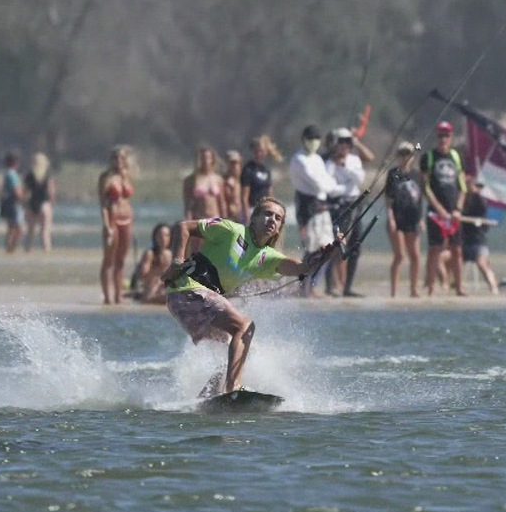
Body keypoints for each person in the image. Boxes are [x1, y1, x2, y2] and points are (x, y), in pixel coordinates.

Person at [163, 197, 342, 395]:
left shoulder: (267, 257)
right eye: (267, 214)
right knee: (245, 327)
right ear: (254, 218)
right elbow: (184, 227)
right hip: (187, 290)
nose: (272, 220)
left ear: (279, 227)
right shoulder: (232, 230)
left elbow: (303, 268)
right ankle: (233, 389)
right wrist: (177, 260)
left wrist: (326, 253)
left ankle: (208, 395)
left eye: (278, 218)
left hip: (191, 307)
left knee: (242, 348)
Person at [288, 125, 348, 298]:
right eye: (310, 138)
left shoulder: (317, 159)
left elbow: (327, 182)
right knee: (312, 247)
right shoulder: (299, 160)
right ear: (304, 139)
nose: (314, 142)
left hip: (322, 207)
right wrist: (332, 186)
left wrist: (331, 186)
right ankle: (303, 285)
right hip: (308, 207)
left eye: (316, 139)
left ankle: (312, 285)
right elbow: (320, 184)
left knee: (328, 247)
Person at [421, 121, 467, 297]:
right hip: (436, 213)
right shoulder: (428, 157)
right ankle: (431, 285)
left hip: (453, 212)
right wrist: (439, 209)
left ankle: (459, 286)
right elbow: (426, 188)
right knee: (435, 249)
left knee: (457, 249)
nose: (443, 139)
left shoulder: (456, 157)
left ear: (451, 137)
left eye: (446, 135)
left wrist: (458, 209)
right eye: (440, 135)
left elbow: (462, 186)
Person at [326, 127, 370, 297]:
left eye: (347, 142)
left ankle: (347, 287)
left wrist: (345, 166)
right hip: (339, 207)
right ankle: (330, 286)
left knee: (356, 246)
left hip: (355, 204)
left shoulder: (354, 160)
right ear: (335, 144)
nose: (344, 146)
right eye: (341, 142)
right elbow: (330, 188)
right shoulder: (329, 163)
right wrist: (346, 185)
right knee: (337, 246)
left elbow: (359, 179)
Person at [385, 142, 423, 298]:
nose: (405, 157)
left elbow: (420, 199)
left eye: (408, 154)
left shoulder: (416, 175)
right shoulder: (393, 174)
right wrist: (391, 218)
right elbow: (388, 200)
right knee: (399, 255)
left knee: (415, 255)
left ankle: (414, 289)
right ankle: (394, 291)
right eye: (402, 154)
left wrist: (421, 219)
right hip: (397, 217)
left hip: (413, 218)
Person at [99, 146, 135, 305]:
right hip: (112, 219)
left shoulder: (127, 176)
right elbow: (103, 204)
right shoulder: (106, 177)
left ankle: (118, 295)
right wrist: (106, 225)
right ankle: (107, 296)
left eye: (121, 158)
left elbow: (127, 200)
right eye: (115, 158)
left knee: (121, 260)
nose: (118, 161)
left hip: (127, 219)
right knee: (109, 259)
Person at [461, 178, 499, 294]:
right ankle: (451, 284)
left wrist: (474, 192)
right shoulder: (462, 199)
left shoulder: (480, 200)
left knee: (481, 262)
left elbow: (483, 208)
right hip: (464, 241)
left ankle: (493, 287)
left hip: (478, 240)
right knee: (452, 260)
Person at [132, 223, 173, 304]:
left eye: (166, 235)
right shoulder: (150, 254)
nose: (163, 239)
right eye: (160, 236)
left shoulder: (170, 254)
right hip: (151, 290)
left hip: (164, 289)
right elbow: (143, 275)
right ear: (155, 237)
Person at [183, 146, 226, 222]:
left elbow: (221, 203)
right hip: (199, 219)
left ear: (212, 160)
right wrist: (188, 222)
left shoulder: (218, 179)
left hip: (215, 219)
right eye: (202, 158)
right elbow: (188, 205)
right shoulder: (191, 180)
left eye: (208, 157)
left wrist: (225, 221)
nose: (205, 160)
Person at [23, 152, 55, 252]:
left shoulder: (29, 175)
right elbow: (51, 191)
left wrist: (24, 204)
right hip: (44, 204)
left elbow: (25, 192)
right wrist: (52, 203)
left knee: (30, 231)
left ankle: (28, 249)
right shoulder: (47, 175)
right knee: (45, 231)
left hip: (32, 203)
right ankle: (46, 250)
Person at [241, 135, 281, 213]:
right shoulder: (248, 169)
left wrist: (274, 208)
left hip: (265, 210)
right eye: (256, 151)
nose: (259, 154)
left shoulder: (266, 170)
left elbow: (270, 192)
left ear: (266, 152)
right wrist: (246, 213)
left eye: (261, 151)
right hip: (253, 209)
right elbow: (244, 196)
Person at [0, 152, 26, 254]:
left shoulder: (7, 174)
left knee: (11, 228)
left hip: (9, 203)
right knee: (18, 228)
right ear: (16, 163)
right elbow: (17, 190)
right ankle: (11, 249)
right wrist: (24, 199)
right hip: (14, 204)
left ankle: (9, 249)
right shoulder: (12, 175)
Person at [222, 150, 245, 224]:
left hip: (243, 216)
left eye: (237, 163)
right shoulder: (225, 182)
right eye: (232, 164)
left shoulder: (244, 180)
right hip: (231, 218)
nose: (235, 166)